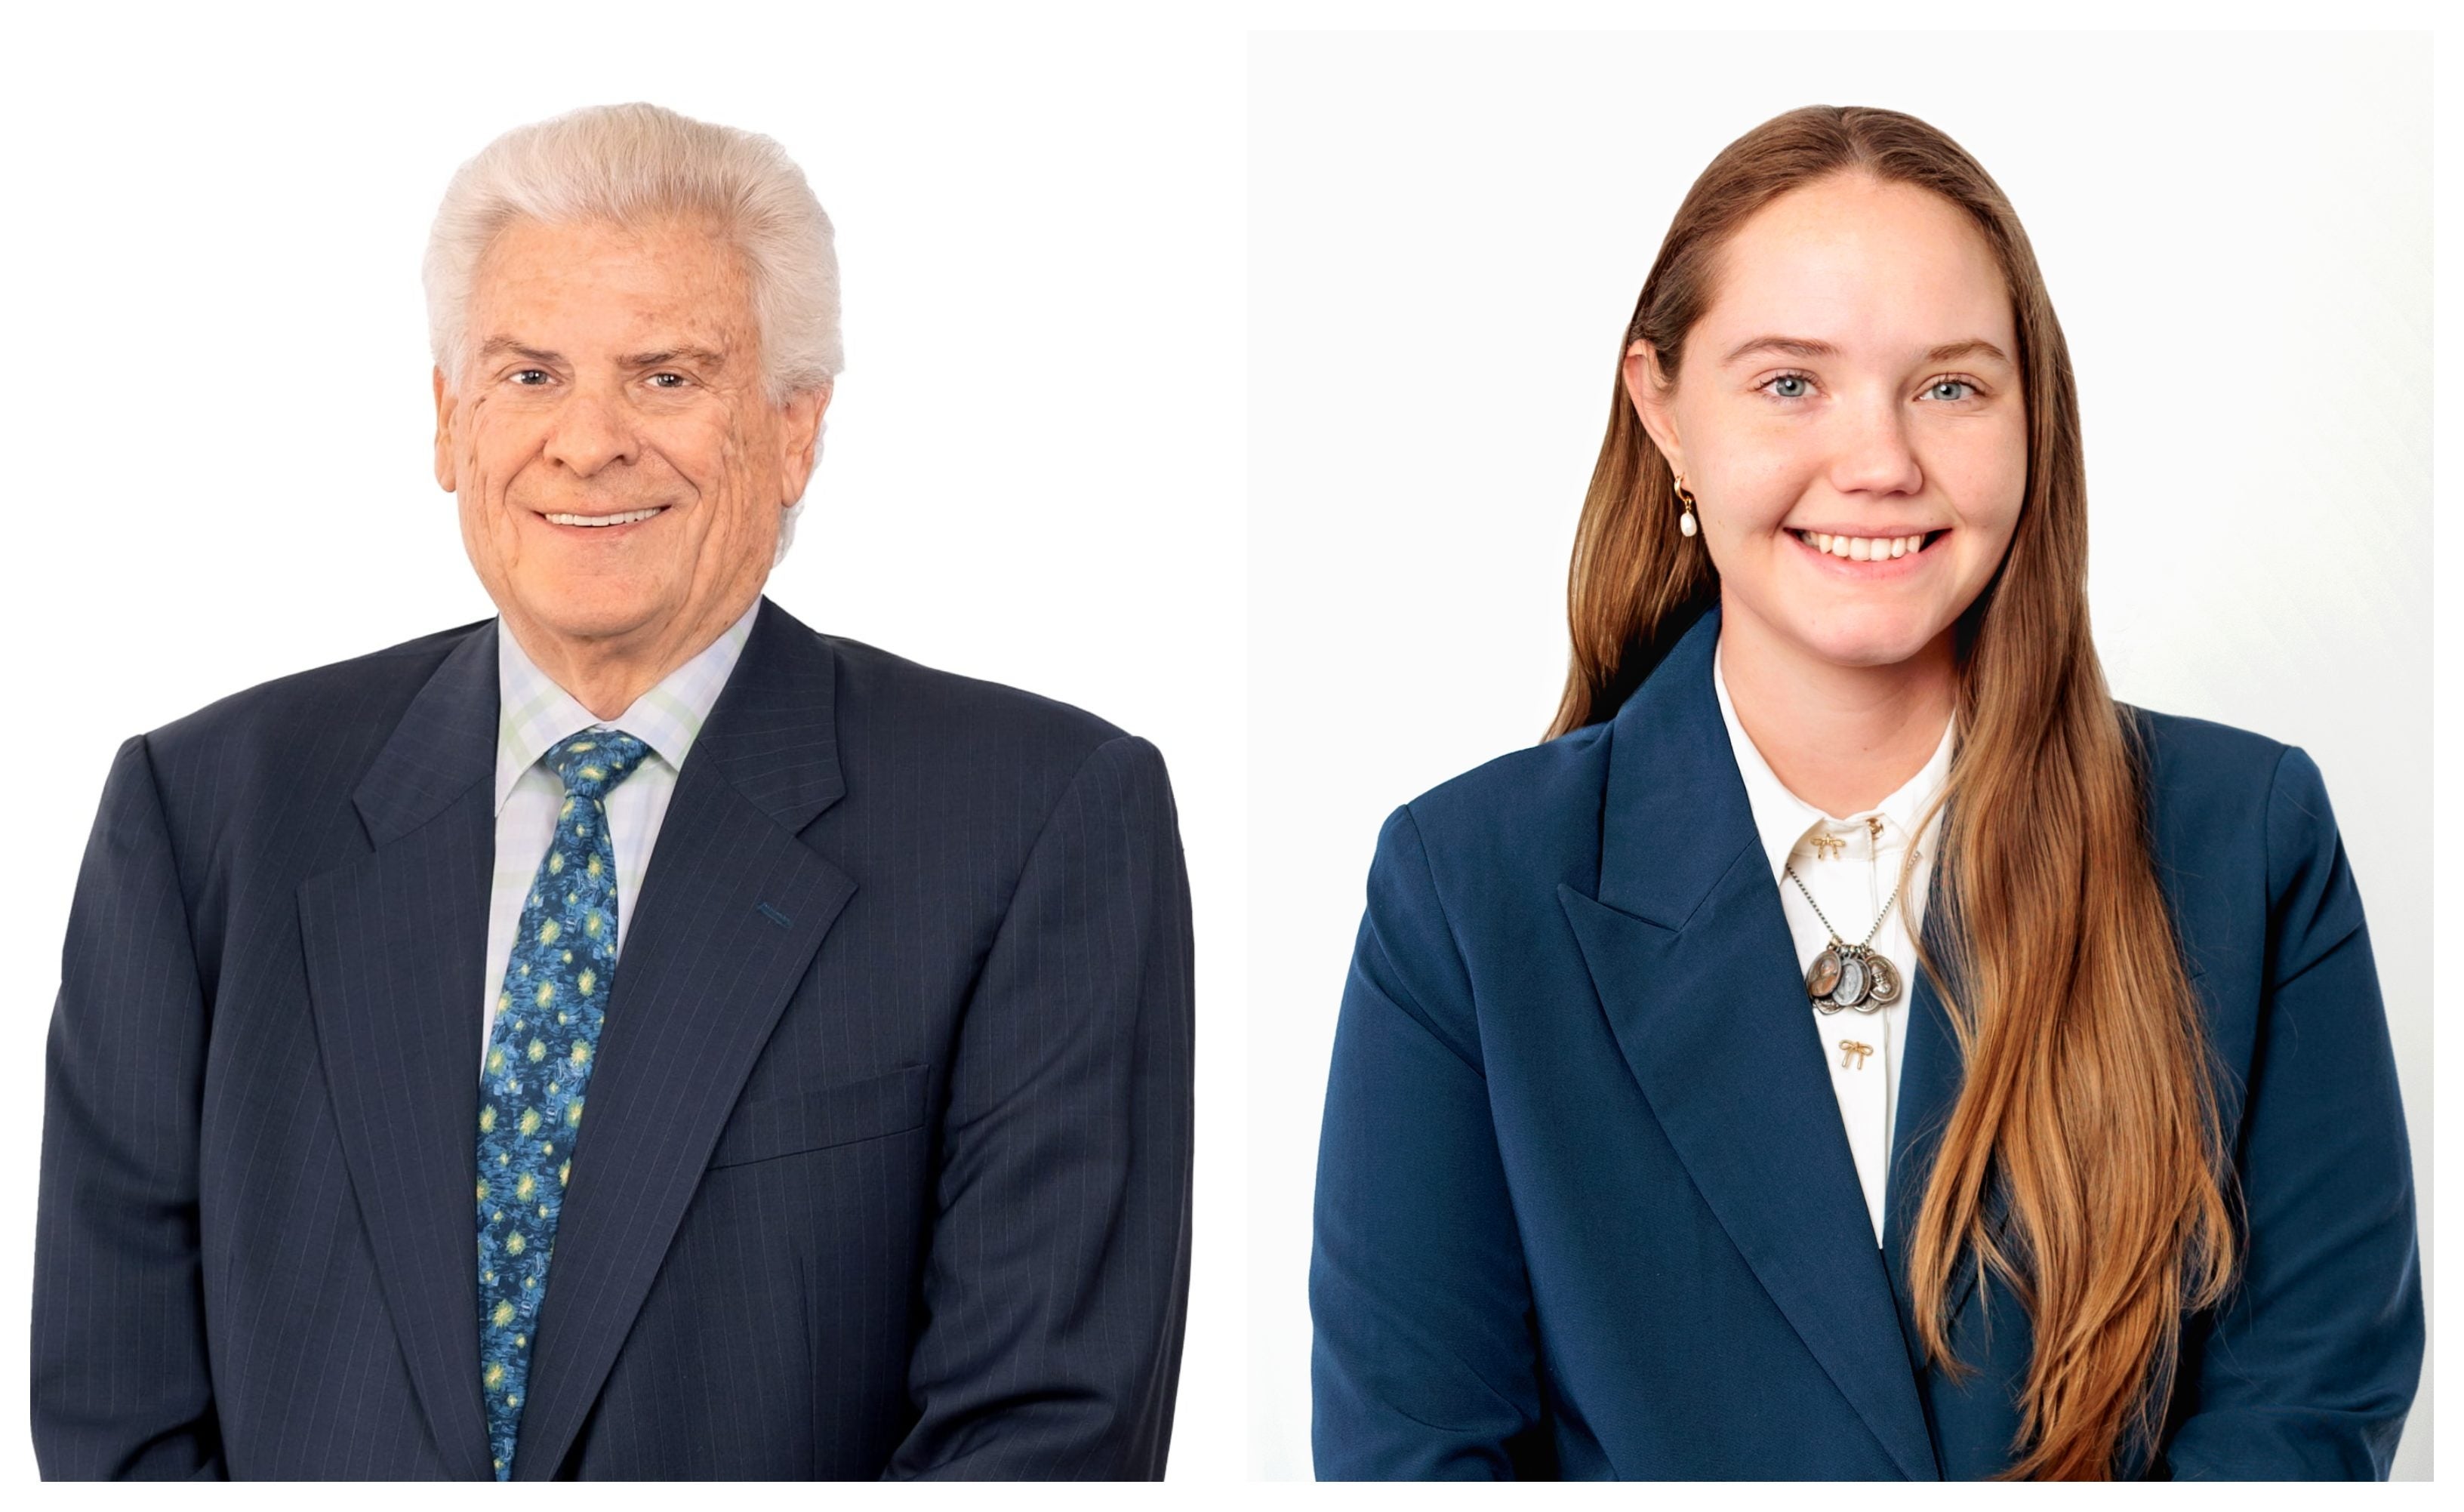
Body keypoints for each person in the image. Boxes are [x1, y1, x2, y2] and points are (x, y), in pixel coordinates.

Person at [32, 102, 1194, 1481]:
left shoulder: (1039, 821)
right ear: (449, 420)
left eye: (666, 376)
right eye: (528, 376)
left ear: (795, 430)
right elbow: (119, 1415)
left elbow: (1045, 1435)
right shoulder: (202, 814)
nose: (587, 442)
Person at [1308, 104, 2420, 1480]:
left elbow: (2304, 1423)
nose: (1881, 461)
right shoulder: (1464, 888)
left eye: (1951, 386)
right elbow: (1417, 1461)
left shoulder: (2248, 841)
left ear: (2034, 416)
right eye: (1790, 384)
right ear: (1661, 406)